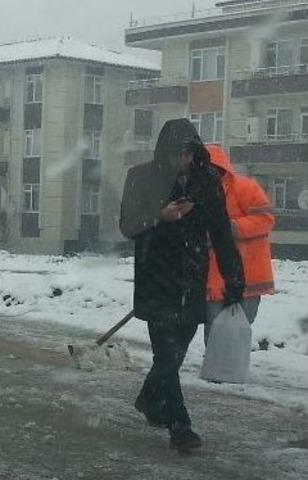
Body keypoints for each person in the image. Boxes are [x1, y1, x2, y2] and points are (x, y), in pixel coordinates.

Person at [119, 119, 244, 453]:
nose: (183, 161)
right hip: (154, 275)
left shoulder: (206, 181)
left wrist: (234, 278)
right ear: (164, 152)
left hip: (191, 277)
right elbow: (128, 225)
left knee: (173, 356)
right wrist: (160, 215)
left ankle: (148, 398)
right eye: (177, 154)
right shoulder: (141, 177)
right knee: (167, 353)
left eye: (188, 153)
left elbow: (220, 232)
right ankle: (180, 426)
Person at [205, 144, 275, 344]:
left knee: (239, 325)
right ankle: (218, 369)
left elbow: (265, 220)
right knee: (216, 328)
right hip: (215, 278)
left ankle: (227, 368)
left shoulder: (246, 188)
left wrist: (229, 228)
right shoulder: (198, 195)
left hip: (248, 276)